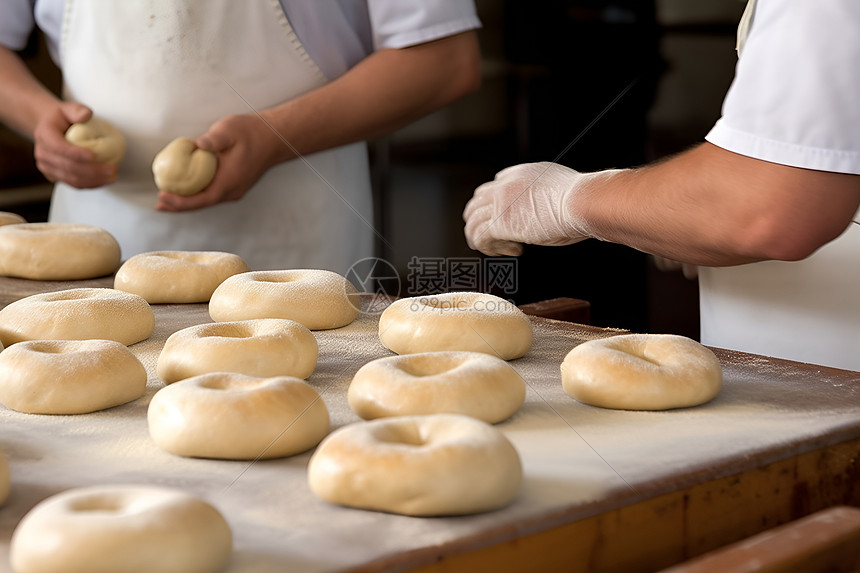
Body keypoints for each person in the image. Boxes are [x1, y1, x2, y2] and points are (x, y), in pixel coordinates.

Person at [463, 0, 860, 371]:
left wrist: (565, 202)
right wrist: (687, 220)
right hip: (791, 363)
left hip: (833, 373)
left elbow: (770, 207)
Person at [0, 0, 481, 273]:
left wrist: (276, 138)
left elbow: (444, 59)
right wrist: (42, 119)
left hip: (295, 244)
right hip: (95, 242)